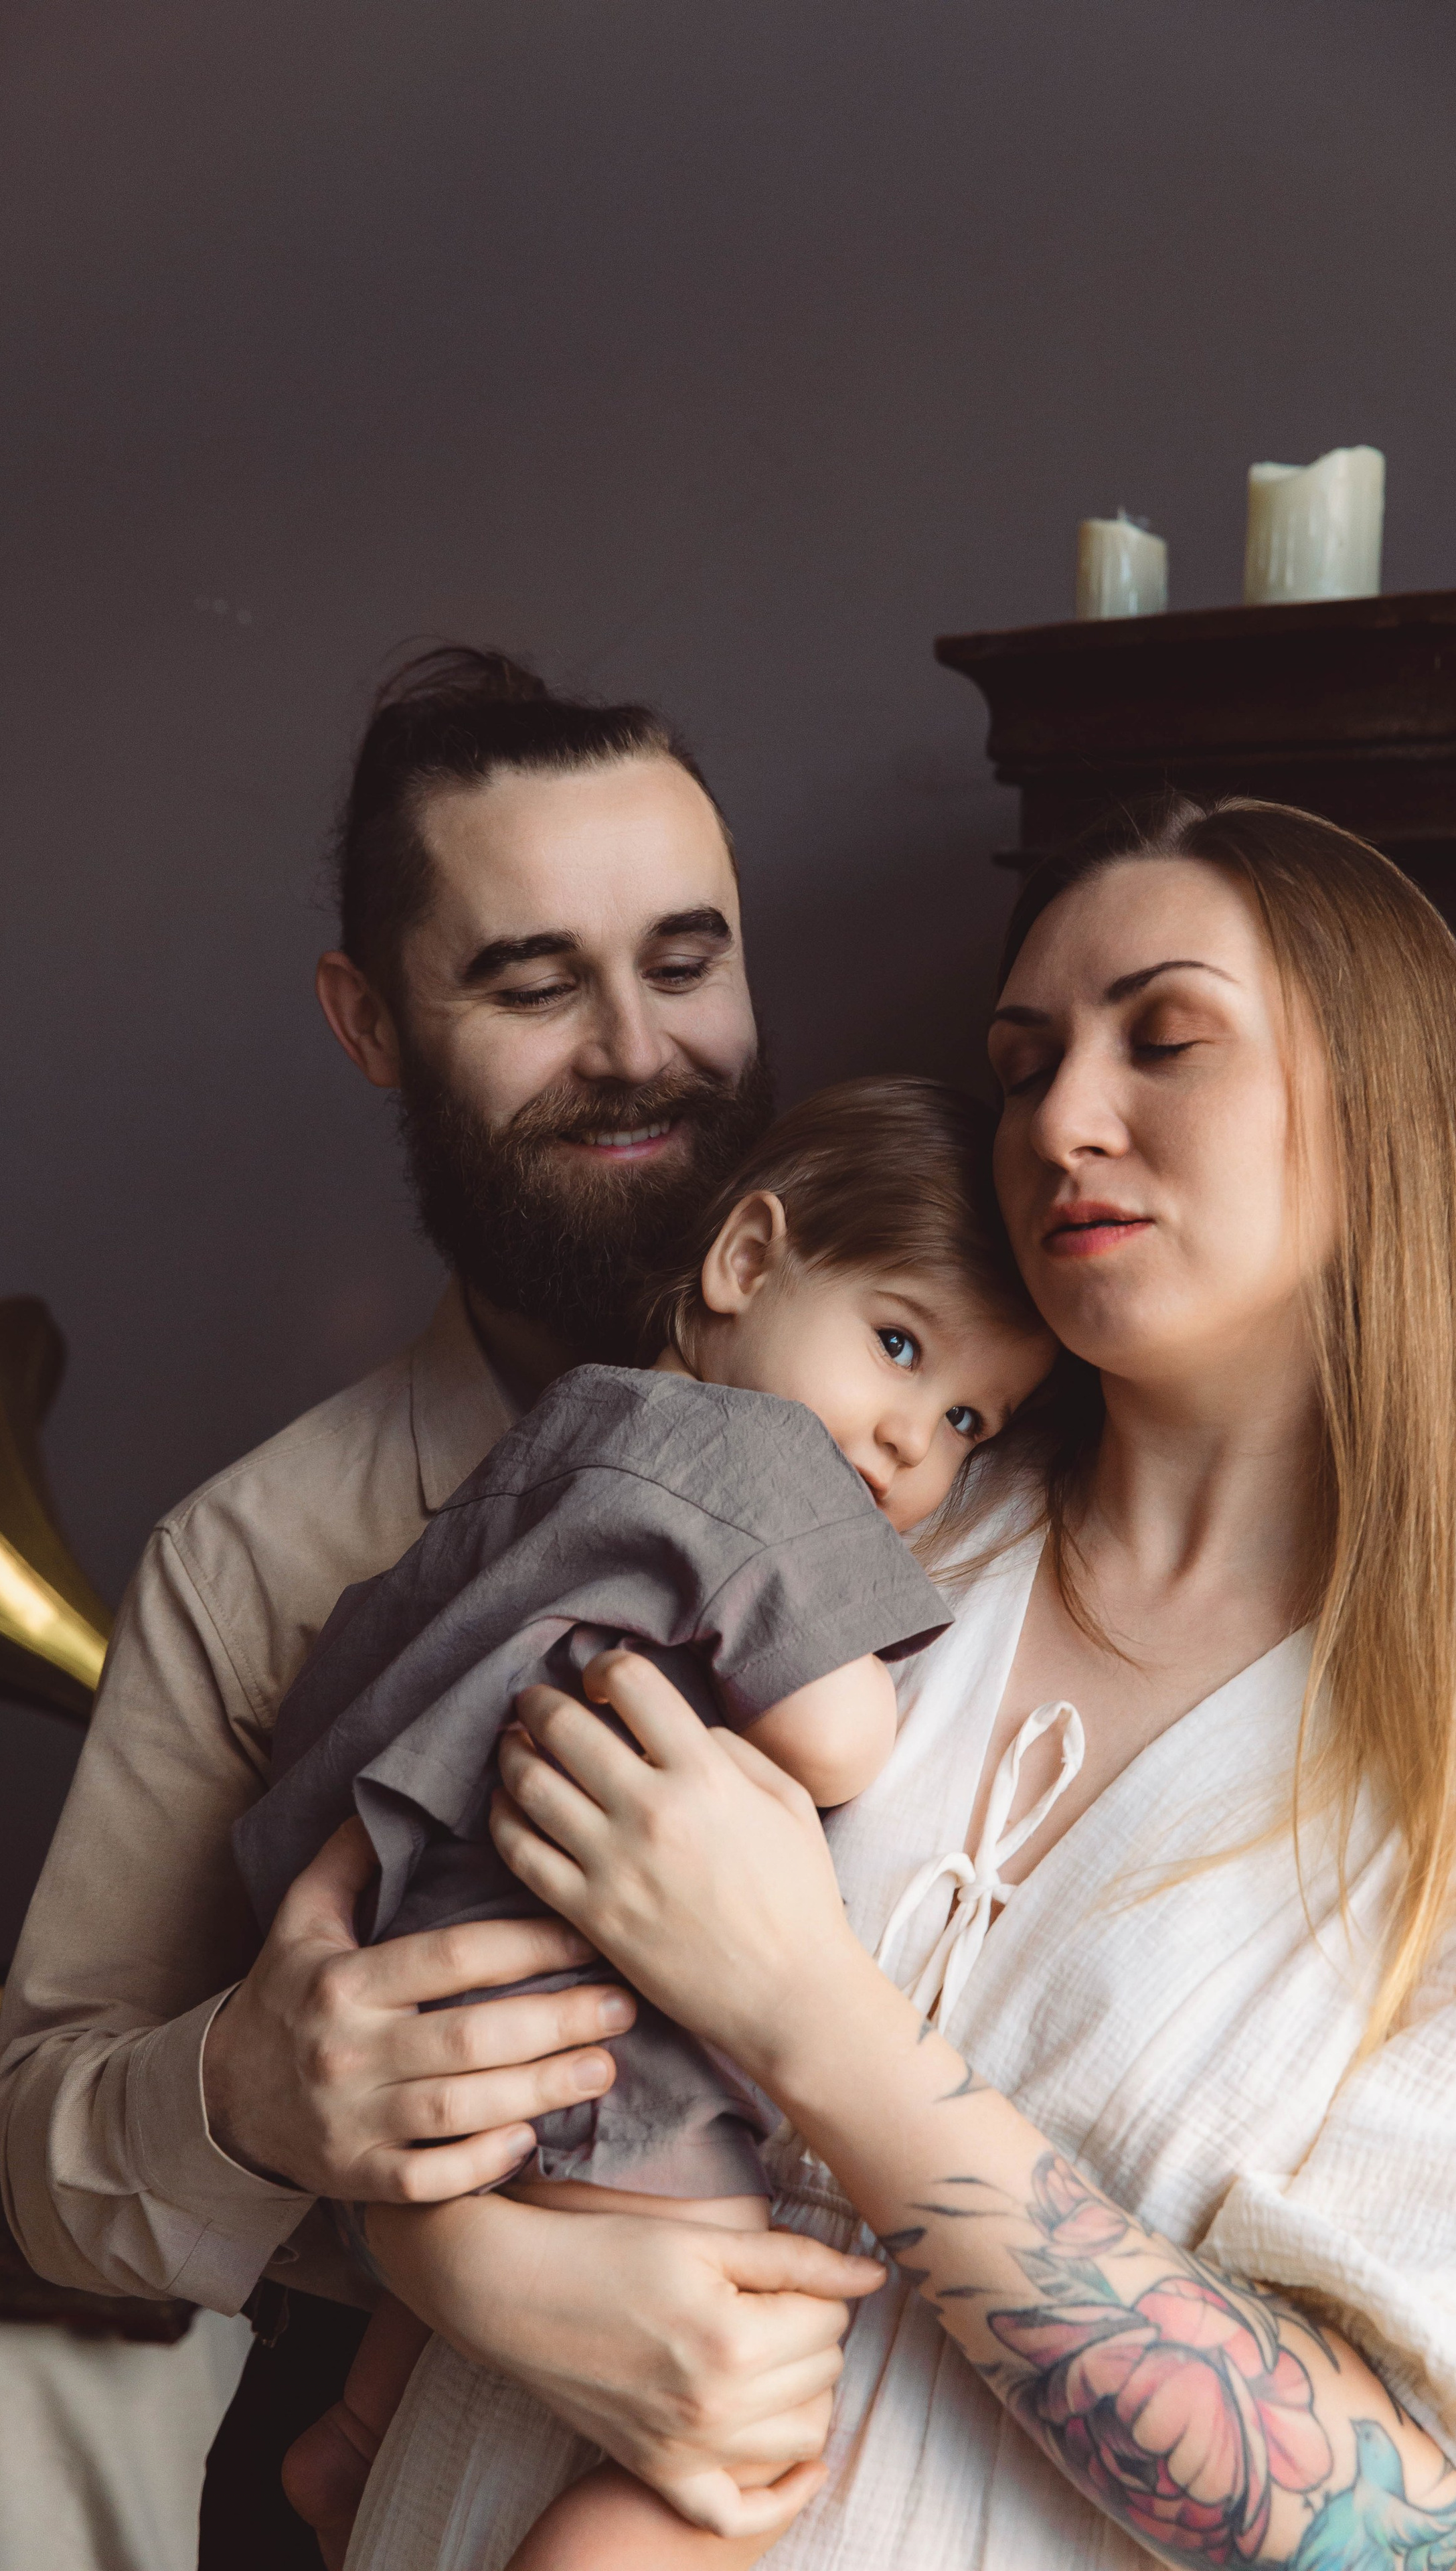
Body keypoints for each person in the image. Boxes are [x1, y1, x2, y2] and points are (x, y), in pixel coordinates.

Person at [339, 798, 1456, 2571]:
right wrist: (448, 2251)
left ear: (1388, 1116)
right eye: (1024, 1065)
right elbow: (417, 1971)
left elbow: (1406, 2534)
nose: (1060, 1125)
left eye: (1164, 1040)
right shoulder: (810, 1511)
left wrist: (811, 2007)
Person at [0, 646, 877, 2555]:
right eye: (532, 982)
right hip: (367, 2464)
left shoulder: (974, 1424)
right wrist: (249, 2091)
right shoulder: (248, 1551)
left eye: (685, 959)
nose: (639, 1048)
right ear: (372, 1019)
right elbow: (45, 2142)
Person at [235, 1077, 1054, 2566]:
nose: (905, 1443)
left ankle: (358, 2437)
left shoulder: (570, 1431)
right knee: (743, 2383)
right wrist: (867, 1674)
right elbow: (835, 1731)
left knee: (517, 2243)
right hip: (572, 2002)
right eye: (893, 1343)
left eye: (963, 1419)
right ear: (745, 1260)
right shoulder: (763, 1463)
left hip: (431, 1957)